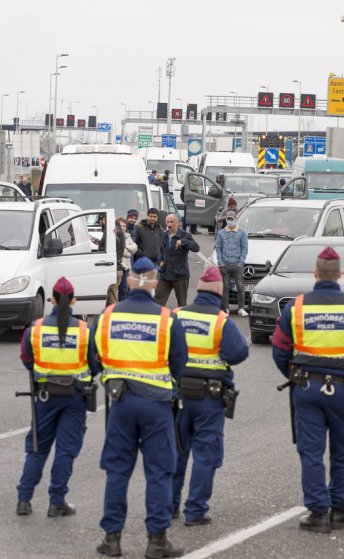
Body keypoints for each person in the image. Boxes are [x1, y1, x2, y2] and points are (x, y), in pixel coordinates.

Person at [270, 247, 344, 533]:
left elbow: (280, 349)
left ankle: (318, 513)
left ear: (315, 274)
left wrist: (294, 376)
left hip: (306, 387)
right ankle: (341, 507)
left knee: (311, 451)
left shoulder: (297, 306)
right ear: (340, 275)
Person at [90, 257, 188, 558]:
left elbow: (93, 361)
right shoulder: (166, 318)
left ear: (129, 281)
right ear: (155, 283)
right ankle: (156, 541)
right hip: (157, 405)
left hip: (120, 403)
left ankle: (112, 539)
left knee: (118, 470)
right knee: (159, 471)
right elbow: (179, 364)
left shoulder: (107, 317)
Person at [172, 267, 249, 526]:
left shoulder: (177, 315)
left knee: (176, 451)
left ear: (197, 289)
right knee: (205, 454)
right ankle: (194, 511)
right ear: (219, 291)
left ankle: (169, 505)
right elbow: (238, 352)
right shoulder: (220, 320)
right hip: (209, 397)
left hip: (177, 395)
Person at [16, 278, 95, 518]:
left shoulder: (36, 328)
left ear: (51, 300)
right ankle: (56, 502)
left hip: (44, 395)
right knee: (66, 450)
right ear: (73, 301)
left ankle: (24, 500)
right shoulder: (84, 331)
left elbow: (26, 359)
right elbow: (96, 363)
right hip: (75, 397)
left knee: (38, 448)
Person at [155, 213, 200, 308]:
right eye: (167, 222)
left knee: (181, 304)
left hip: (180, 275)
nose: (169, 224)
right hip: (165, 274)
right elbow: (161, 250)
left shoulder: (184, 235)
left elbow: (196, 248)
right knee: (158, 300)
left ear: (177, 223)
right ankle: (157, 320)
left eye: (172, 222)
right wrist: (160, 261)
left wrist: (183, 241)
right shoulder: (165, 235)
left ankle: (180, 322)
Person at [215, 210, 249, 316]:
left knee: (240, 287)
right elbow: (218, 248)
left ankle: (241, 308)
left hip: (237, 265)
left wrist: (241, 262)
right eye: (228, 219)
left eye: (231, 219)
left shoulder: (242, 233)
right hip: (224, 264)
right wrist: (220, 263)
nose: (230, 221)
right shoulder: (221, 233)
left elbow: (244, 248)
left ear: (235, 220)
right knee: (225, 287)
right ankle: (225, 308)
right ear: (226, 219)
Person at [106, 215, 126, 306]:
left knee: (113, 295)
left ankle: (115, 313)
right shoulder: (122, 234)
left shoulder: (117, 233)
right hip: (117, 267)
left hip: (115, 267)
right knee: (111, 294)